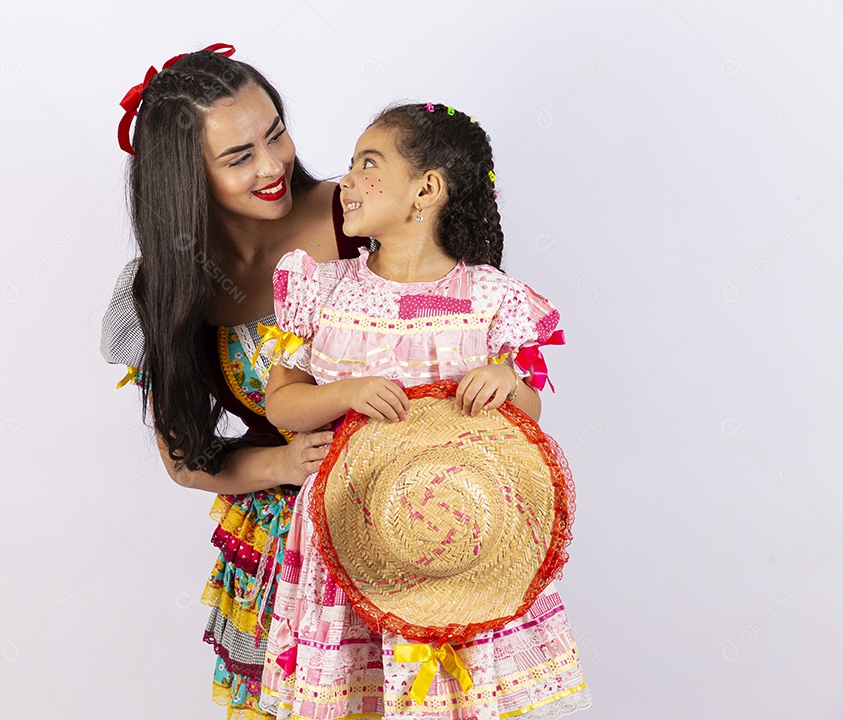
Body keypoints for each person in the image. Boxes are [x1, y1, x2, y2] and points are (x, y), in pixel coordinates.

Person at [256, 102, 591, 719]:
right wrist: (343, 394)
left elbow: (529, 416)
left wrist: (504, 383)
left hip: (454, 532)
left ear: (427, 189)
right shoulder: (324, 291)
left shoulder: (489, 299)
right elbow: (282, 402)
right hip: (349, 527)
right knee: (354, 697)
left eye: (368, 164)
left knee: (452, 694)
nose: (346, 180)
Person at [100, 45, 375, 719]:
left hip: (387, 520)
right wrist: (284, 462)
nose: (274, 164)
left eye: (275, 132)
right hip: (278, 554)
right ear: (184, 178)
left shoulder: (362, 217)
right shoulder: (162, 288)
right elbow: (184, 459)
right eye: (239, 156)